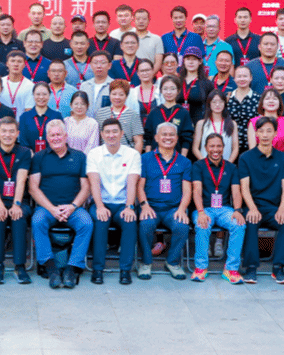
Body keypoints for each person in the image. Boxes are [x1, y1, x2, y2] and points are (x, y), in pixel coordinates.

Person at [29, 120, 92, 289]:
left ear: (66, 136)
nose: (56, 138)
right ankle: (50, 267)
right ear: (47, 138)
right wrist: (52, 209)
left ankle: (73, 267)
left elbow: (86, 187)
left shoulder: (79, 156)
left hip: (73, 208)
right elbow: (33, 188)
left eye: (59, 134)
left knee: (86, 223)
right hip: (47, 208)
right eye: (52, 135)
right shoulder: (39, 157)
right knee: (37, 221)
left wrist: (72, 206)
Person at [237, 118, 284, 284]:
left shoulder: (283, 158)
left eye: (269, 131)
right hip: (253, 205)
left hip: (274, 207)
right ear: (256, 133)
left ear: (275, 133)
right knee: (250, 221)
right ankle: (251, 267)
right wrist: (252, 208)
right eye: (261, 131)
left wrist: (282, 209)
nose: (265, 135)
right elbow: (244, 188)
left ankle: (278, 267)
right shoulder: (246, 157)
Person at [86, 119, 141, 285]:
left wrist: (130, 207)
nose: (111, 135)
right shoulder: (94, 154)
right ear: (102, 135)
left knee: (129, 221)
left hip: (123, 203)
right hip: (101, 201)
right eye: (107, 132)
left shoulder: (132, 154)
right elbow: (94, 182)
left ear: (122, 134)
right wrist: (100, 207)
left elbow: (132, 182)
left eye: (115, 131)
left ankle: (125, 270)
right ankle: (97, 269)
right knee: (100, 220)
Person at [136, 123, 192, 280]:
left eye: (171, 134)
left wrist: (182, 209)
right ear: (156, 138)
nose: (168, 137)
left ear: (177, 138)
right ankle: (146, 262)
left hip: (173, 208)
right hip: (151, 206)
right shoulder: (145, 158)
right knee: (146, 224)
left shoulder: (184, 162)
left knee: (182, 226)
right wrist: (144, 205)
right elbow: (139, 186)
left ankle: (172, 262)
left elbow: (187, 190)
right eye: (164, 134)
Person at [190, 133, 245, 283]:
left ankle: (231, 269)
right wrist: (201, 212)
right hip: (204, 208)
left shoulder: (231, 167)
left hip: (224, 209)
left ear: (223, 147)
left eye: (219, 146)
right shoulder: (198, 166)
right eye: (212, 146)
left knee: (239, 224)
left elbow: (236, 191)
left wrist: (237, 210)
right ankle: (201, 268)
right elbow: (196, 191)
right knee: (202, 224)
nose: (215, 149)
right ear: (206, 148)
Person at [0, 117, 33, 284]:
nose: (7, 135)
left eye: (12, 131)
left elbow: (21, 180)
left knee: (18, 217)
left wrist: (16, 204)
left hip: (20, 200)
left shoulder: (25, 152)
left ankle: (20, 266)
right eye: (4, 131)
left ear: (17, 133)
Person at [144, 76, 193, 156]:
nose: (169, 92)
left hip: (176, 157)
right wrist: (148, 158)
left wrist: (182, 159)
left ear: (178, 91)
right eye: (165, 89)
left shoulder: (184, 113)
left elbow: (186, 139)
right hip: (155, 157)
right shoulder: (154, 112)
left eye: (172, 89)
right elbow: (148, 138)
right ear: (161, 91)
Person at [95, 80, 144, 150]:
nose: (117, 97)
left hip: (126, 154)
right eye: (114, 94)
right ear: (109, 95)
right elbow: (97, 138)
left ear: (126, 96)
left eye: (121, 95)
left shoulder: (133, 114)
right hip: (105, 153)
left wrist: (135, 156)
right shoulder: (101, 113)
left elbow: (138, 141)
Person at [193, 90, 239, 162]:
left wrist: (228, 165)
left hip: (226, 164)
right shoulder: (201, 124)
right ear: (209, 104)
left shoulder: (232, 124)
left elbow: (235, 148)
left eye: (221, 101)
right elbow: (195, 148)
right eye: (214, 102)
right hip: (205, 165)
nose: (217, 105)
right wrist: (205, 163)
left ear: (225, 103)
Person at [18, 82, 62, 153]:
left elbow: (60, 140)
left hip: (52, 155)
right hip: (30, 156)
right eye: (38, 94)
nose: (41, 97)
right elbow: (23, 141)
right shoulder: (24, 117)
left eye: (44, 94)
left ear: (49, 95)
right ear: (33, 95)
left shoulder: (57, 116)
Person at [250, 88, 284, 154]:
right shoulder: (254, 122)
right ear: (262, 103)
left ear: (279, 103)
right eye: (267, 99)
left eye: (274, 99)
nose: (271, 101)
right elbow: (252, 149)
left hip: (283, 159)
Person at [226, 66, 259, 149]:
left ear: (251, 78)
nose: (242, 79)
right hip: (230, 144)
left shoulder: (258, 98)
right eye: (239, 76)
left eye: (245, 76)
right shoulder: (227, 98)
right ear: (234, 78)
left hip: (251, 144)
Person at [79, 50, 114, 119]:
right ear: (91, 65)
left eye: (103, 63)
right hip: (87, 124)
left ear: (109, 65)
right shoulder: (84, 86)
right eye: (95, 63)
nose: (99, 66)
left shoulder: (114, 85)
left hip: (106, 124)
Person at [0, 51, 34, 117]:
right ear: (7, 64)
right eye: (12, 61)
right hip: (1, 121)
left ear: (24, 64)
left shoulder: (30, 86)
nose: (16, 64)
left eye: (19, 61)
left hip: (21, 122)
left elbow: (29, 110)